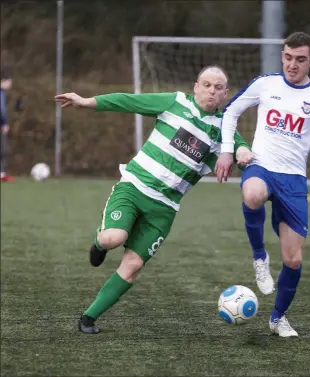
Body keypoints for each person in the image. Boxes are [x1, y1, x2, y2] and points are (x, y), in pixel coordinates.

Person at [55, 65, 253, 334]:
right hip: (135, 187)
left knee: (134, 265)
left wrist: (243, 153)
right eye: (206, 85)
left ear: (225, 94)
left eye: (218, 88)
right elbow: (129, 101)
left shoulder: (223, 131)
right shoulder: (175, 102)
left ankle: (88, 318)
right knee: (112, 238)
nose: (211, 91)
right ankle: (98, 241)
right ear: (196, 86)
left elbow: (242, 151)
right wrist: (87, 102)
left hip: (164, 208)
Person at [215, 32, 310, 337]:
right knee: (253, 193)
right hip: (261, 165)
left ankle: (277, 318)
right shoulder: (266, 84)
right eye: (287, 57)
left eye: (299, 59)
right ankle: (259, 256)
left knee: (293, 260)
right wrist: (227, 150)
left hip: (294, 179)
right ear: (282, 55)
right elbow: (230, 111)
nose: (292, 64)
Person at [1, 70, 14, 182]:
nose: (10, 84)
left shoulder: (3, 93)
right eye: (9, 82)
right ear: (4, 81)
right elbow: (2, 110)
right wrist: (4, 123)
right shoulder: (1, 93)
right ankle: (2, 174)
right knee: (2, 149)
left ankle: (2, 173)